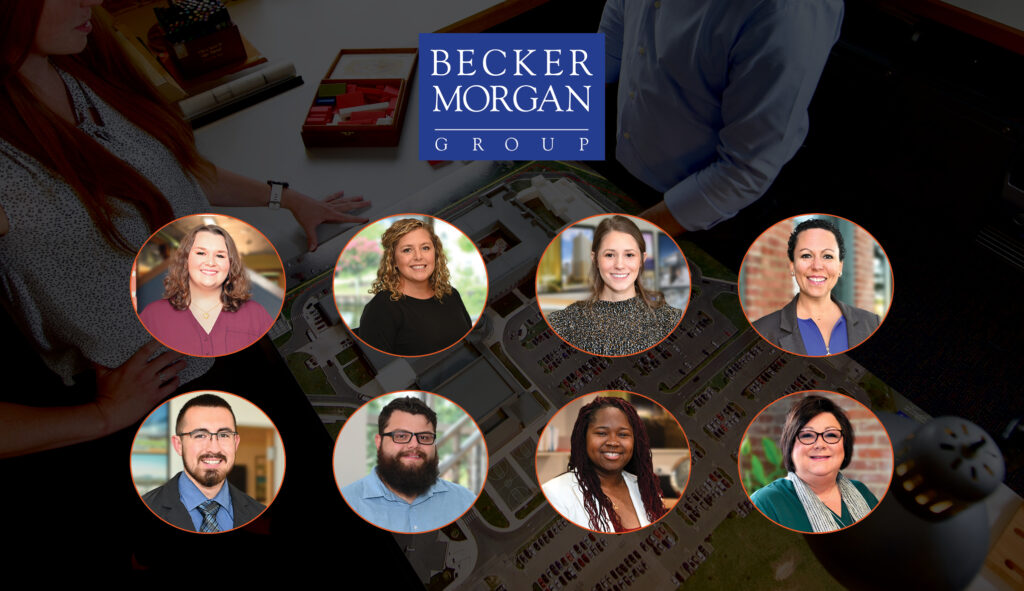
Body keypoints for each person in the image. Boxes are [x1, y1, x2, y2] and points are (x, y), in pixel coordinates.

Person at [0, 0, 368, 458]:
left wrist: (286, 197)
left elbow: (168, 171)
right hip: (168, 394)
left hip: (229, 327)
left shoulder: (76, 68)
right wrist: (101, 416)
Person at [598, 0, 844, 235]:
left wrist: (626, 240)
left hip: (710, 210)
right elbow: (606, 48)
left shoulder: (789, 11)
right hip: (624, 159)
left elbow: (746, 169)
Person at [546, 215, 681, 356]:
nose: (619, 265)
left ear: (642, 260)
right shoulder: (567, 320)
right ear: (595, 259)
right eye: (610, 255)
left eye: (629, 255)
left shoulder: (668, 318)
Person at [340, 396, 478, 533]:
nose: (414, 445)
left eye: (424, 437)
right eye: (401, 436)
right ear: (379, 442)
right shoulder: (350, 500)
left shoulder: (463, 500)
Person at [750, 395, 879, 533]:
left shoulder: (861, 491)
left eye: (831, 435)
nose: (820, 445)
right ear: (790, 444)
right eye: (807, 435)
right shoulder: (766, 503)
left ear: (844, 444)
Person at [139, 224, 274, 357]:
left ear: (231, 264)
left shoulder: (255, 313)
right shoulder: (154, 315)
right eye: (201, 253)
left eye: (220, 255)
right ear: (184, 259)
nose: (210, 262)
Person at [752, 218, 881, 356]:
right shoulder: (762, 329)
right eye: (806, 255)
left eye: (827, 256)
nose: (817, 266)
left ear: (840, 267)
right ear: (792, 266)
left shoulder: (872, 323)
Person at [141, 393, 266, 533]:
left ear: (235, 443)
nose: (214, 448)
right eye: (200, 435)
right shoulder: (147, 508)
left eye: (224, 435)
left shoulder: (260, 514)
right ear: (178, 445)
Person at [542, 396, 668, 533]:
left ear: (635, 441)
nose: (613, 442)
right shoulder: (554, 493)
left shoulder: (648, 490)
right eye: (601, 433)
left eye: (623, 434)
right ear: (584, 437)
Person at [356, 218, 472, 356]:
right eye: (407, 250)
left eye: (425, 248)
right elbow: (382, 368)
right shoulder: (381, 308)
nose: (418, 256)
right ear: (392, 260)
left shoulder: (451, 294)